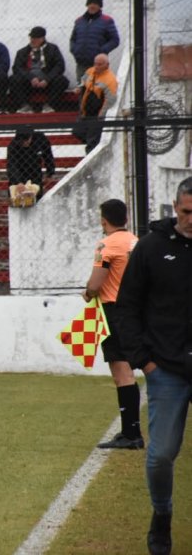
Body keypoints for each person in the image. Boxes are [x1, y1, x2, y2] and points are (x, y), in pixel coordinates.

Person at [116, 176, 192, 555]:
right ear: (175, 209)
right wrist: (143, 361)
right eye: (187, 211)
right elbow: (127, 306)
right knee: (161, 454)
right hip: (166, 370)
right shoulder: (149, 248)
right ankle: (161, 516)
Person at [82, 199, 141, 450]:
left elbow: (95, 285)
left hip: (113, 310)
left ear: (103, 219)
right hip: (135, 310)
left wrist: (87, 293)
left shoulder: (106, 245)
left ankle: (131, 433)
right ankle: (131, 431)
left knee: (121, 371)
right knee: (131, 368)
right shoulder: (135, 241)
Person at [9, 26, 69, 114]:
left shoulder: (53, 49)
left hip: (48, 84)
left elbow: (60, 66)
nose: (32, 40)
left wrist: (47, 79)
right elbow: (17, 68)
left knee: (62, 81)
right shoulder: (23, 52)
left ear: (42, 38)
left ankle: (50, 105)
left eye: (35, 38)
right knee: (13, 79)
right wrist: (30, 78)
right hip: (28, 84)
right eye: (31, 38)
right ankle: (25, 105)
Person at [69, 0, 120, 83]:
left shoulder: (107, 20)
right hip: (81, 64)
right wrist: (75, 50)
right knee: (82, 90)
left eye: (95, 3)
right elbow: (73, 39)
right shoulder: (79, 21)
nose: (92, 6)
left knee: (98, 91)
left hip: (98, 65)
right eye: (90, 3)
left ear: (100, 6)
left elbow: (115, 40)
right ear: (87, 4)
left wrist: (101, 51)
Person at [72, 53, 118, 153]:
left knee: (92, 140)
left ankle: (91, 153)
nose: (96, 67)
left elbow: (110, 99)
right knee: (76, 131)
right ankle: (92, 141)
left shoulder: (110, 79)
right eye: (95, 64)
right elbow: (83, 80)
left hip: (97, 114)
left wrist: (101, 115)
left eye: (100, 64)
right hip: (85, 111)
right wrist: (79, 87)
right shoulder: (90, 71)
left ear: (107, 65)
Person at [6, 128, 55, 200]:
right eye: (22, 142)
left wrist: (50, 172)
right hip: (20, 171)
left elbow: (48, 156)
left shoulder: (40, 139)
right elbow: (12, 165)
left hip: (35, 172)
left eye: (26, 141)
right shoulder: (13, 146)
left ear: (31, 137)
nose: (25, 143)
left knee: (36, 197)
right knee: (17, 196)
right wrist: (18, 181)